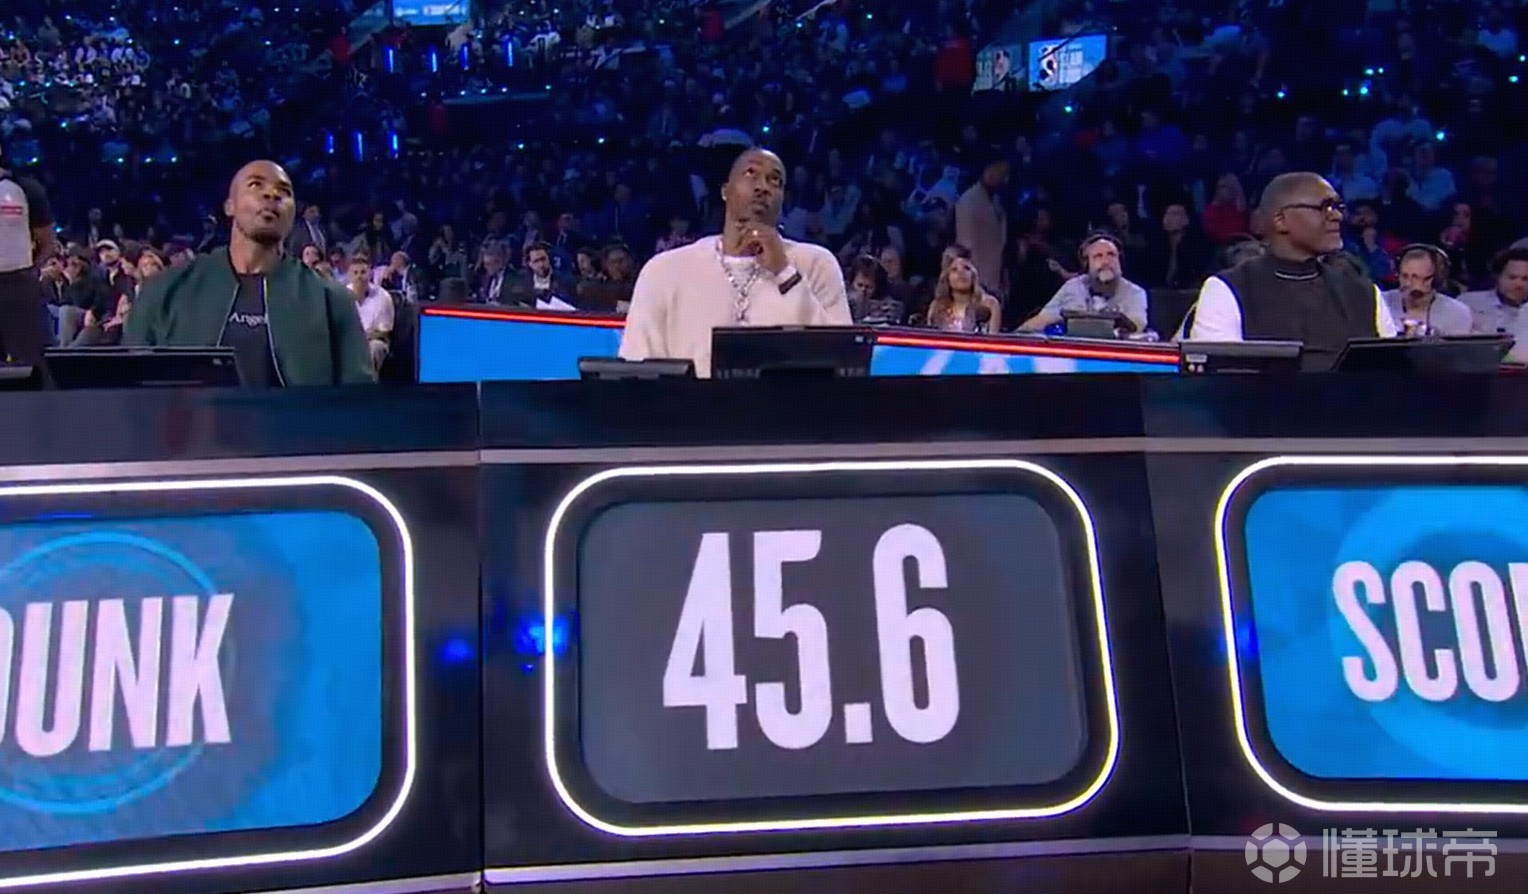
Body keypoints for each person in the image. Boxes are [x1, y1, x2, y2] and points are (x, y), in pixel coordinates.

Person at [125, 160, 374, 386]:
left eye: (284, 191)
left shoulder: (330, 298)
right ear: (229, 206)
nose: (272, 194)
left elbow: (360, 399)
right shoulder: (165, 290)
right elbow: (131, 390)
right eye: (256, 184)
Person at [619, 148, 851, 376]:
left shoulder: (817, 264)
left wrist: (784, 272)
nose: (763, 187)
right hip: (687, 402)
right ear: (725, 191)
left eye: (775, 181)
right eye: (751, 173)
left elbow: (845, 362)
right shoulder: (665, 270)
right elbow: (637, 369)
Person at [1187, 172, 1397, 369]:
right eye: (1324, 207)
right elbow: (1218, 382)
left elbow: (1394, 374)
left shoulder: (1363, 292)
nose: (1337, 216)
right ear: (1280, 220)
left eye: (1337, 206)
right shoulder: (1227, 290)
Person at [1018, 233, 1149, 333]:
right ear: (1087, 265)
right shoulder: (1073, 287)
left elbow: (1137, 328)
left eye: (1111, 255)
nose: (1106, 262)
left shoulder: (1135, 293)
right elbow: (1041, 320)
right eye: (1098, 256)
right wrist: (1016, 337)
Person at [0, 163, 57, 365]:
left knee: (30, 363)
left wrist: (28, 270)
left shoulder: (25, 188)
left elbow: (47, 242)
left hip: (18, 285)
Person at [1381, 245, 1471, 336]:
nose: (1408, 284)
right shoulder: (1380, 303)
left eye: (1417, 278)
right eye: (1405, 276)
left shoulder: (1457, 312)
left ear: (1437, 278)